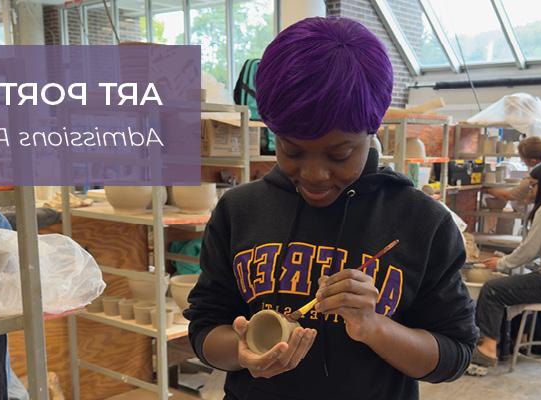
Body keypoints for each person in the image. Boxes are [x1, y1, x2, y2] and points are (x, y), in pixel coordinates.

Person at [184, 17, 478, 400]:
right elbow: (205, 328)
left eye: (340, 154)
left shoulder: (422, 221)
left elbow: (455, 354)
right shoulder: (239, 209)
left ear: (371, 133)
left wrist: (374, 327)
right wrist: (241, 354)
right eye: (292, 150)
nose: (315, 174)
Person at [472, 162, 541, 371]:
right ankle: (509, 343)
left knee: (493, 290)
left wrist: (501, 263)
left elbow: (529, 250)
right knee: (514, 283)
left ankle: (487, 349)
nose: (530, 190)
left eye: (533, 185)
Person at [485, 136, 541, 203]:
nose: (523, 162)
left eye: (523, 159)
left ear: (532, 161)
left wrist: (487, 190)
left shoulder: (537, 173)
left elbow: (506, 195)